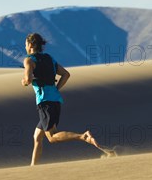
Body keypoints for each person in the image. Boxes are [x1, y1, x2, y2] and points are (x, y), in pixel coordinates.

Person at [21, 33, 116, 165]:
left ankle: (83, 136)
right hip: (55, 100)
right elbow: (66, 74)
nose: (25, 47)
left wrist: (24, 82)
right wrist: (56, 89)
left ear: (30, 45)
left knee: (52, 137)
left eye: (25, 44)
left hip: (45, 103)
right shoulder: (49, 58)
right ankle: (33, 167)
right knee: (37, 136)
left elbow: (28, 79)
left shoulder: (29, 60)